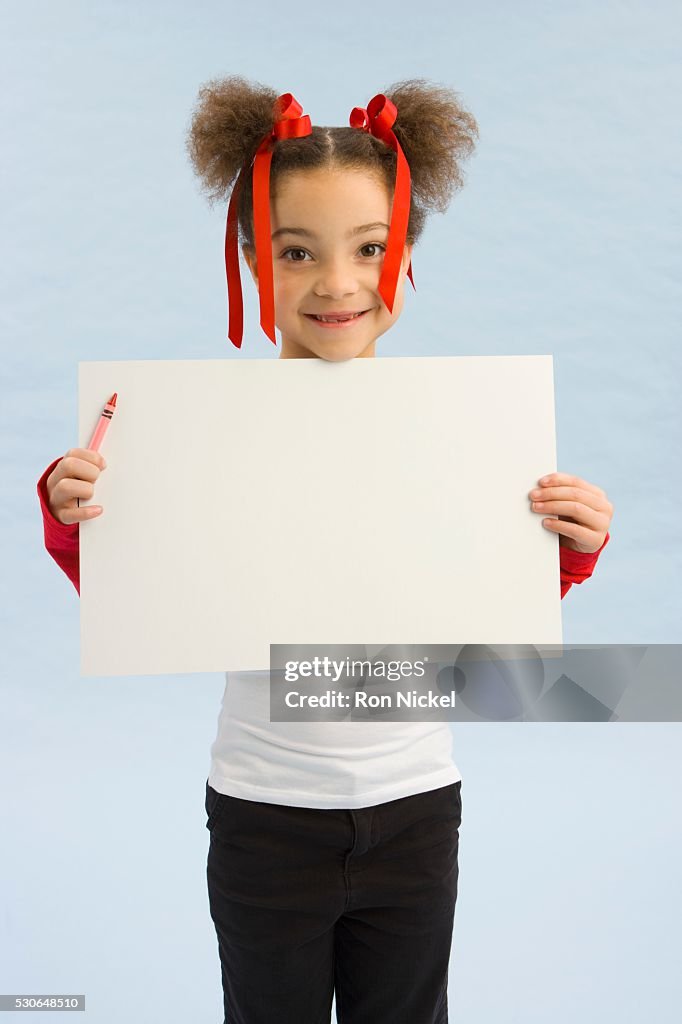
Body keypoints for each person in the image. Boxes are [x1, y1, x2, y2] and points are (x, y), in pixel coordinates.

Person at [36, 76, 612, 1024]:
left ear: (406, 257)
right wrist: (77, 513)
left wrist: (563, 552)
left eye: (370, 249)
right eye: (297, 252)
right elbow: (131, 589)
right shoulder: (199, 441)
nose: (337, 283)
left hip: (417, 808)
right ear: (253, 261)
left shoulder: (462, 440)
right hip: (263, 815)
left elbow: (481, 615)